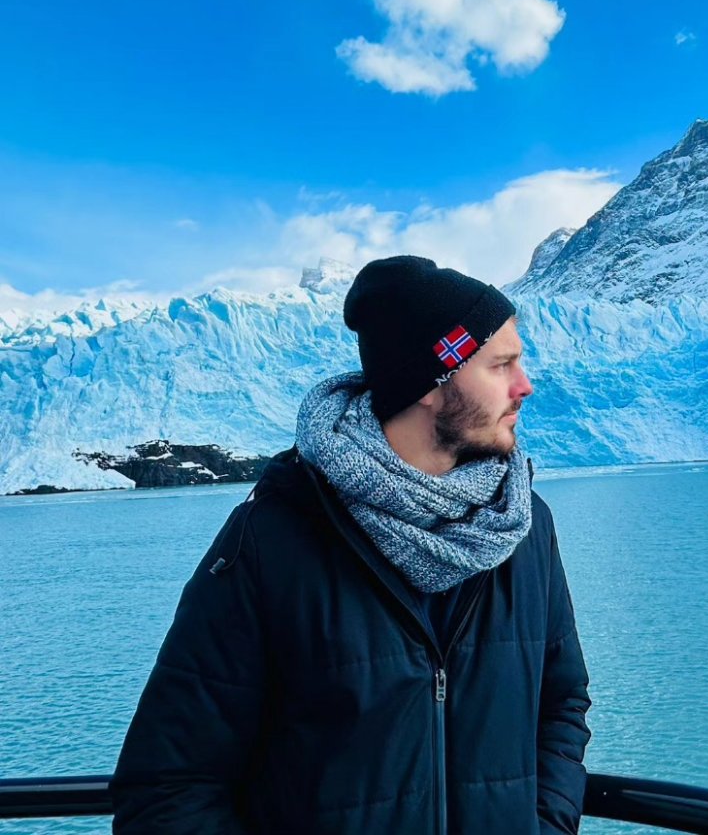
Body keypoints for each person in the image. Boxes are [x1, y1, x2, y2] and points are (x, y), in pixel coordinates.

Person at [110, 256, 591, 835]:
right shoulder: (274, 537)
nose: (524, 385)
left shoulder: (523, 524)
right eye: (501, 365)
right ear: (435, 383)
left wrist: (545, 826)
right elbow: (169, 786)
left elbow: (562, 700)